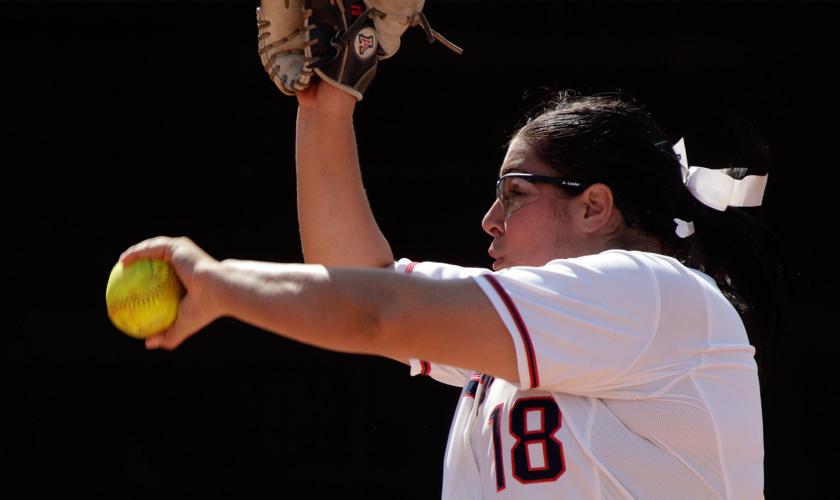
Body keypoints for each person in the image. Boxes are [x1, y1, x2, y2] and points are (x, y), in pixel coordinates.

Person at [120, 81, 788, 498]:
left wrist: (214, 282)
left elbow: (375, 313)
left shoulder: (654, 296)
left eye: (515, 194)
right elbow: (363, 288)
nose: (489, 221)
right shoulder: (567, 330)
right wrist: (326, 111)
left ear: (594, 207)